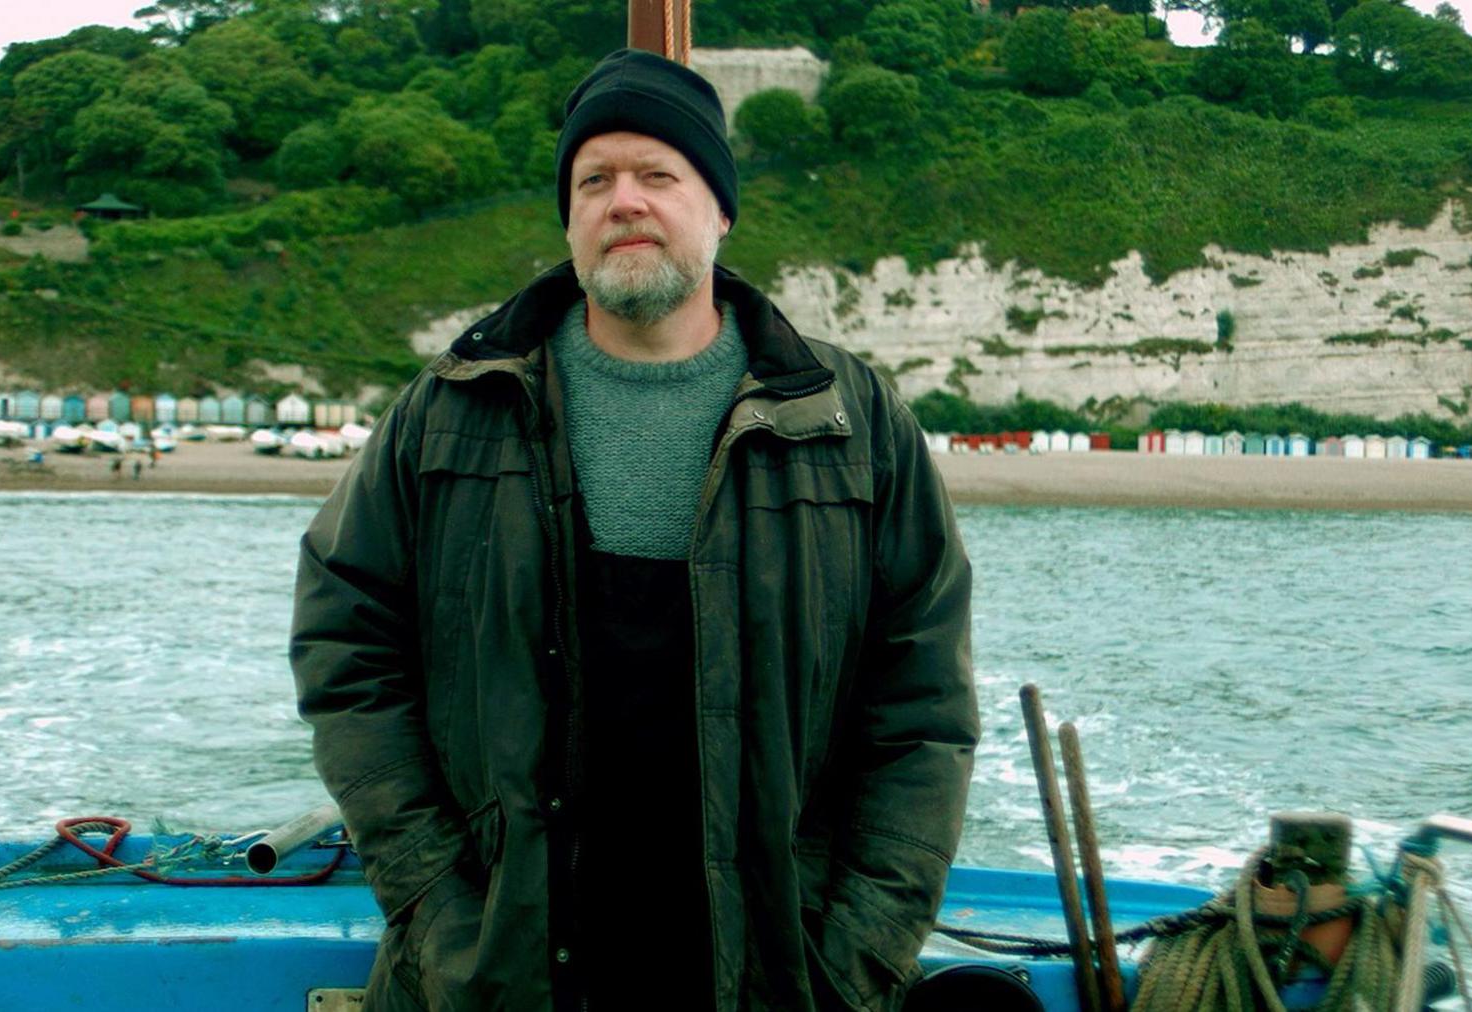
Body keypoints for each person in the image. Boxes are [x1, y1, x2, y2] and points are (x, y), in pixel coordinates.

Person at [290, 48, 976, 1012]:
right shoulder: (449, 408)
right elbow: (346, 650)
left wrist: (860, 950)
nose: (625, 201)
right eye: (594, 180)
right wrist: (439, 909)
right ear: (569, 216)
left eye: (660, 174)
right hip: (500, 973)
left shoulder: (850, 420)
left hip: (776, 974)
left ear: (720, 208)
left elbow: (924, 709)